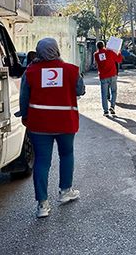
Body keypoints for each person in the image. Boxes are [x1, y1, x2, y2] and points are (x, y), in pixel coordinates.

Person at [18, 38, 86, 218]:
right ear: (56, 50)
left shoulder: (31, 71)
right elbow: (80, 90)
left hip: (39, 124)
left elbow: (24, 97)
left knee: (42, 161)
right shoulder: (71, 70)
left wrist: (25, 116)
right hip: (65, 122)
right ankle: (65, 192)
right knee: (66, 155)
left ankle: (42, 204)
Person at [94, 41, 123, 117]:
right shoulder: (109, 52)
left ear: (97, 47)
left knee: (104, 94)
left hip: (103, 76)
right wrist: (118, 52)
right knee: (113, 91)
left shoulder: (96, 55)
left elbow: (99, 61)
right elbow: (119, 60)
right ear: (104, 45)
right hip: (112, 75)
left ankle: (106, 111)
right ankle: (112, 106)